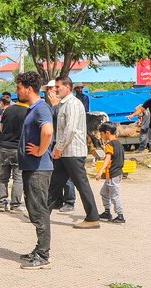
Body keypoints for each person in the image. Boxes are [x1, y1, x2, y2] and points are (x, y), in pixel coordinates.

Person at [49, 77, 101, 229]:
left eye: (58, 87)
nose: (55, 90)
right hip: (66, 151)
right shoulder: (64, 104)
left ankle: (92, 217)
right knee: (55, 183)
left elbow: (70, 129)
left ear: (67, 87)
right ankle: (41, 213)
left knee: (81, 184)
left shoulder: (72, 104)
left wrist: (59, 147)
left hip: (72, 151)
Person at [17, 71, 55, 270]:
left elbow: (47, 130)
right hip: (32, 167)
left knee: (39, 211)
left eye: (19, 87)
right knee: (34, 209)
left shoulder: (41, 108)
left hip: (39, 169)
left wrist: (40, 150)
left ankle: (43, 255)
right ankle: (39, 248)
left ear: (28, 88)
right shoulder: (34, 108)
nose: (17, 91)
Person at [96, 123, 126, 224]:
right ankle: (107, 212)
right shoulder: (119, 143)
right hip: (115, 174)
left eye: (101, 134)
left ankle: (120, 215)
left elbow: (108, 159)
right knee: (104, 192)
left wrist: (100, 171)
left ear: (107, 133)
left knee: (114, 195)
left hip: (113, 174)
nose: (101, 137)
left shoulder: (109, 145)